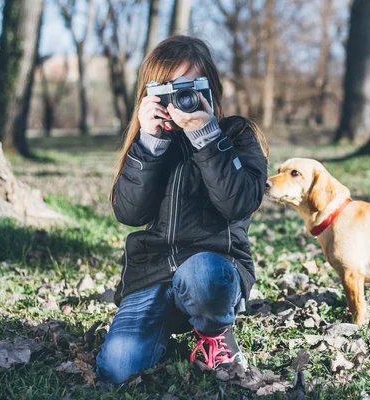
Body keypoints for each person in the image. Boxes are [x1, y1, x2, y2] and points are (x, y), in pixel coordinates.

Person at [95, 35, 269, 384]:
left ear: (211, 88)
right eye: (167, 91)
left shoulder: (235, 134)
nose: (180, 101)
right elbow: (130, 214)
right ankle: (171, 326)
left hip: (212, 271)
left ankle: (215, 331)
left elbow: (239, 204)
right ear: (148, 96)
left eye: (188, 88)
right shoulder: (151, 142)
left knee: (203, 273)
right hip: (152, 274)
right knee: (117, 368)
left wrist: (206, 136)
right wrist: (149, 143)